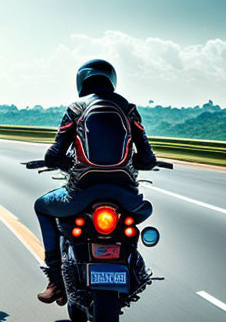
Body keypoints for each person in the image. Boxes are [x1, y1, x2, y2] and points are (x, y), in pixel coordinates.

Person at [32, 59, 156, 304]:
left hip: (81, 193)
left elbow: (53, 156)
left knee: (41, 206)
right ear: (111, 79)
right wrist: (134, 164)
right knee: (139, 218)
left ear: (81, 81)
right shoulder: (128, 109)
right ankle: (134, 268)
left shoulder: (76, 108)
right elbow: (148, 160)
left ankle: (56, 279)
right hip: (125, 194)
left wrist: (70, 165)